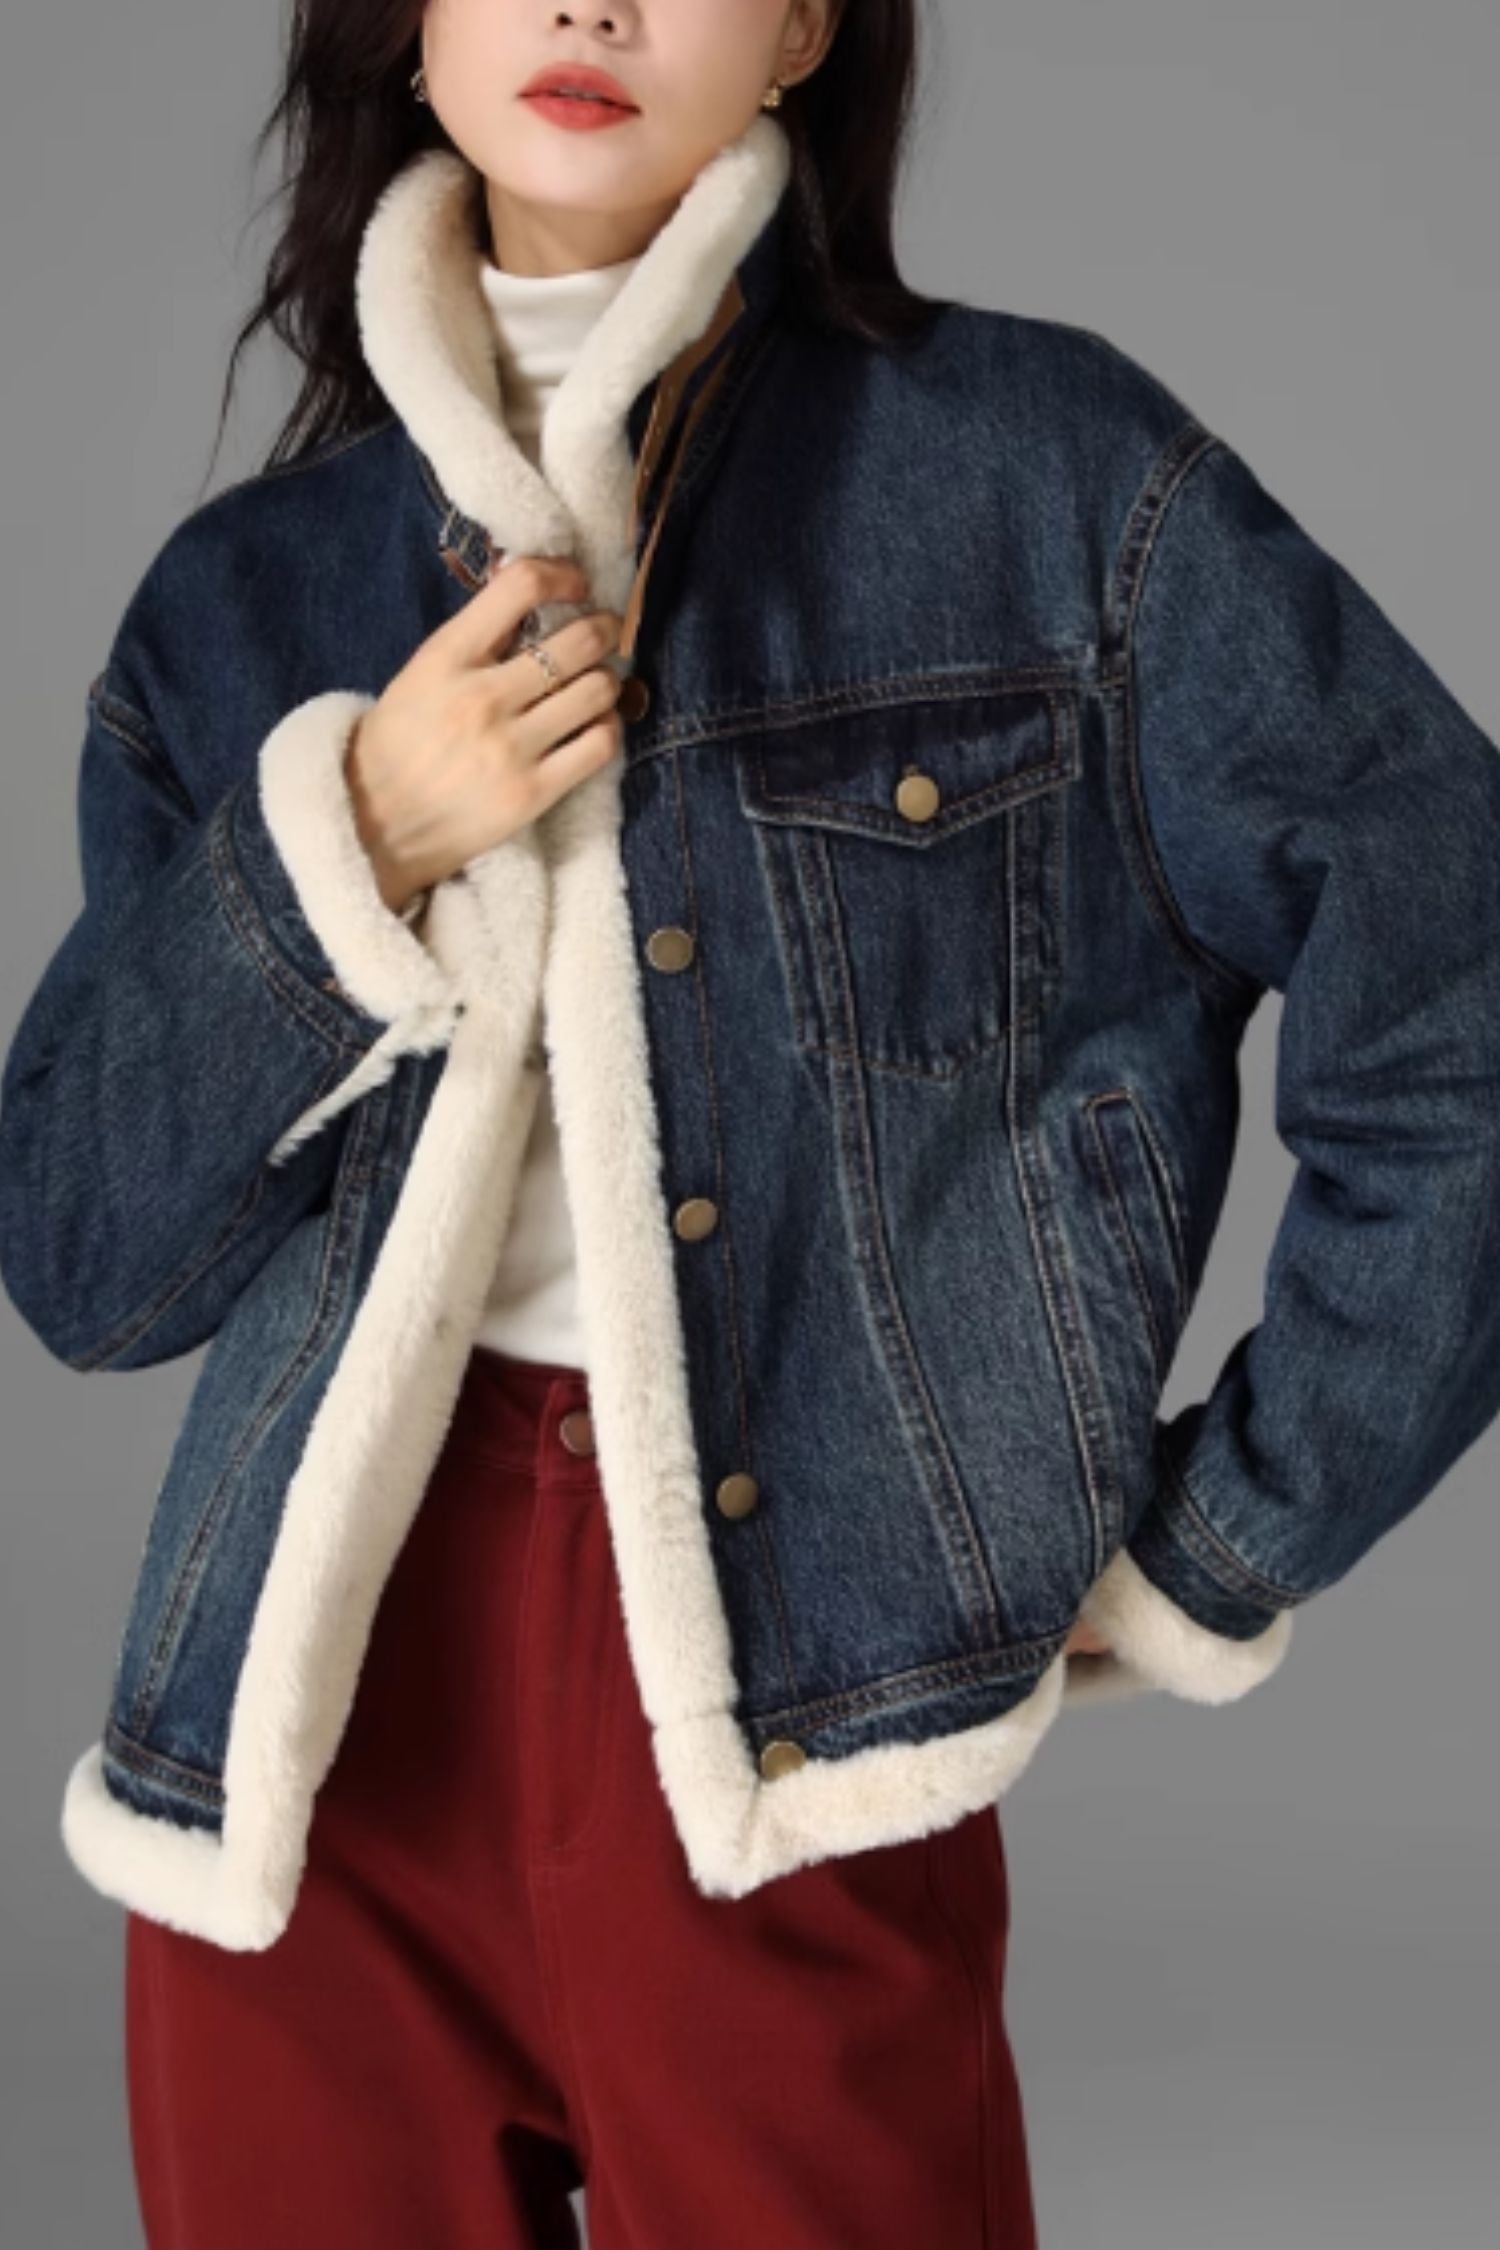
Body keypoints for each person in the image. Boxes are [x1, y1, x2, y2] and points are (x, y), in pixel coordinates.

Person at [5, 2, 1499, 2244]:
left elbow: (1457, 980)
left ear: (804, 24)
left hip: (794, 1708)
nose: (590, 6)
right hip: (302, 1753)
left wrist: (1229, 1535)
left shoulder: (1049, 481)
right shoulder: (243, 602)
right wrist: (360, 838)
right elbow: (83, 1263)